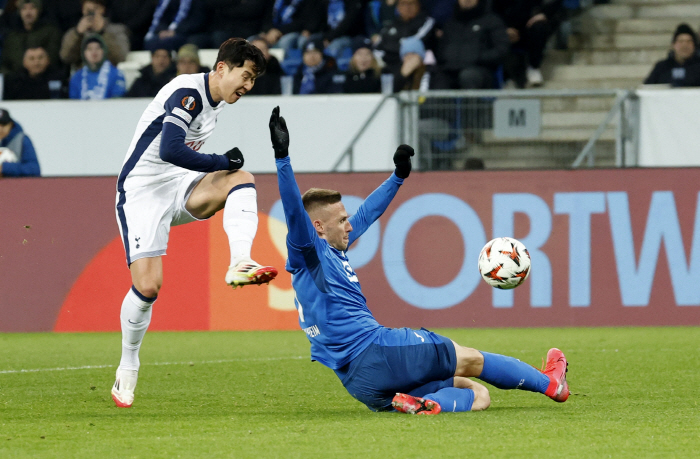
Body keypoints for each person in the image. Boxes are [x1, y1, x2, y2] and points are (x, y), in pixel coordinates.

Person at [269, 105, 569, 414]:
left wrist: (397, 177)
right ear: (317, 226)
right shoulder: (309, 251)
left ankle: (428, 404)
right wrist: (283, 158)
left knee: (477, 394)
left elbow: (367, 214)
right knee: (470, 359)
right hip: (378, 351)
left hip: (360, 383)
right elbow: (294, 211)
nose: (350, 224)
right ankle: (552, 384)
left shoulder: (331, 249)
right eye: (342, 219)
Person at [110, 38, 278, 408]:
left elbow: (180, 158)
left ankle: (240, 262)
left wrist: (223, 166)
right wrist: (219, 160)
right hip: (142, 191)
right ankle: (128, 363)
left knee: (241, 178)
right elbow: (170, 148)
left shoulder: (215, 104)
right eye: (245, 76)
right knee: (149, 287)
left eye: (253, 81)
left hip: (178, 184)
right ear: (222, 68)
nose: (248, 86)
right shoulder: (188, 91)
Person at [431, 0, 509, 90]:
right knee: (438, 78)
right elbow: (440, 51)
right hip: (451, 68)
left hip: (480, 69)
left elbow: (502, 50)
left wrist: (478, 57)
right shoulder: (451, 24)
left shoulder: (492, 21)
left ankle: (474, 104)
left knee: (468, 76)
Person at [491, 0, 564, 88]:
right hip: (502, 27)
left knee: (539, 27)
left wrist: (545, 14)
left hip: (529, 25)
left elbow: (554, 3)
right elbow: (490, 9)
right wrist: (504, 28)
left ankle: (534, 67)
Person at [373, 0, 435, 92]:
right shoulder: (390, 26)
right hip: (390, 67)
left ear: (418, 5)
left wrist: (391, 49)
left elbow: (413, 45)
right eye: (403, 4)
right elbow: (377, 50)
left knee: (410, 64)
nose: (407, 7)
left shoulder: (426, 22)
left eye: (411, 3)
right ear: (397, 7)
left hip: (416, 66)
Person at [59, 0, 130, 70]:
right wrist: (78, 34)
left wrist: (102, 31)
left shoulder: (117, 30)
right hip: (83, 75)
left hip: (108, 75)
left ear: (103, 9)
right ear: (82, 10)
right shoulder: (74, 32)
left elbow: (120, 57)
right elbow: (66, 57)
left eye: (95, 9)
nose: (91, 14)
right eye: (88, 10)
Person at [1, 0, 62, 75]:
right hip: (16, 80)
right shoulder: (12, 36)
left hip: (44, 78)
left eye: (32, 8)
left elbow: (53, 58)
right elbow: (5, 62)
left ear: (39, 10)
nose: (28, 12)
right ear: (19, 12)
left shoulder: (51, 32)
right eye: (24, 9)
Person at [69, 33, 126, 99]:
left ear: (104, 51)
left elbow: (118, 101)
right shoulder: (76, 77)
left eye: (97, 48)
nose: (94, 52)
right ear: (84, 53)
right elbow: (73, 103)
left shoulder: (117, 75)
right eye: (89, 49)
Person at [0, 109, 41, 178]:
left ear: (11, 124)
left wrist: (4, 168)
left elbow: (34, 169)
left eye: (3, 124)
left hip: (16, 186)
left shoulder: (22, 140)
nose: (0, 128)